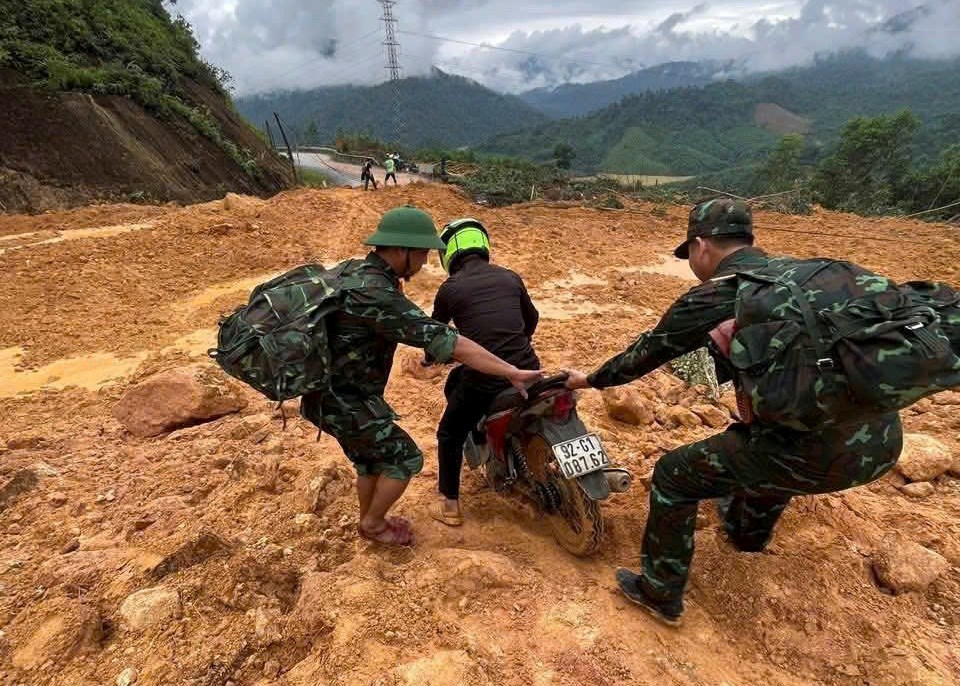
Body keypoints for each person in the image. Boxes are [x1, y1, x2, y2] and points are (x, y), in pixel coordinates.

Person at [564, 198, 904, 625]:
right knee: (759, 440)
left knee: (674, 475)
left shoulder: (717, 293)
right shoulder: (813, 274)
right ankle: (747, 535)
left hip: (815, 458)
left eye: (689, 253)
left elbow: (646, 354)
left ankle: (659, 593)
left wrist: (590, 379)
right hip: (885, 442)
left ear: (700, 245)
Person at [299, 206, 542, 547]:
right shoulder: (379, 296)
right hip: (344, 399)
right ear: (403, 251)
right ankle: (373, 524)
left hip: (334, 393)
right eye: (424, 253)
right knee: (405, 458)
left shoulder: (357, 273)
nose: (426, 262)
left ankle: (374, 518)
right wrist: (511, 371)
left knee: (371, 459)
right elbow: (449, 342)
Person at [427, 218, 541, 526]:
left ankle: (450, 504)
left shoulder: (449, 288)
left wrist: (429, 359)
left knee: (449, 432)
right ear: (483, 244)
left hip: (484, 379)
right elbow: (532, 320)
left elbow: (435, 336)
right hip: (528, 368)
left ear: (448, 253)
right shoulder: (510, 277)